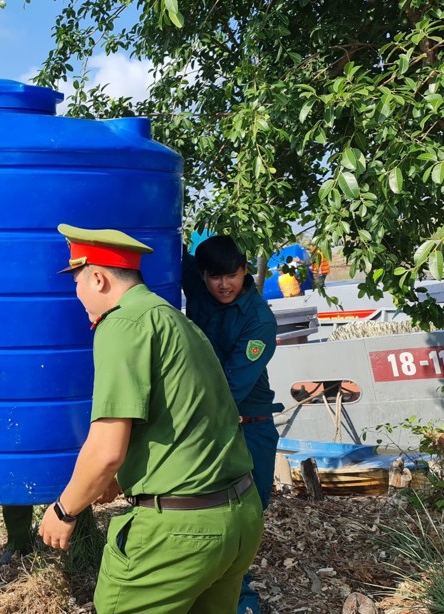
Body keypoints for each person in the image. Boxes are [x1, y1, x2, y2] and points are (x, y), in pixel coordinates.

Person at [39, 224, 264, 613]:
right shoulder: (175, 321)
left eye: (77, 282)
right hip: (239, 517)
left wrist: (64, 510)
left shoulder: (122, 325)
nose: (77, 294)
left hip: (180, 532)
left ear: (98, 277)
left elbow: (106, 449)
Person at [182, 234, 284, 614]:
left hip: (246, 425)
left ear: (245, 271)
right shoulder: (196, 281)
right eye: (215, 277)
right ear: (202, 275)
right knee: (205, 513)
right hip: (206, 418)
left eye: (233, 275)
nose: (224, 285)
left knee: (245, 517)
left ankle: (243, 602)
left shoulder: (259, 321)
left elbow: (230, 387)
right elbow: (166, 245)